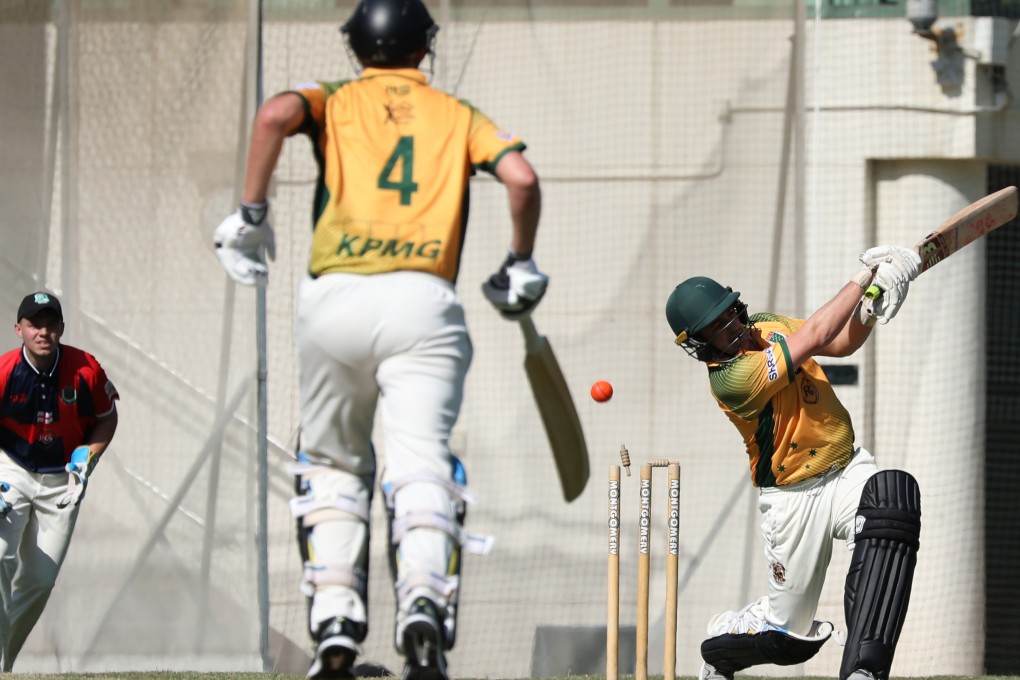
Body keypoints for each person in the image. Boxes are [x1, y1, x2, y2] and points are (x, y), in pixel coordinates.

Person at [212, 1, 547, 678]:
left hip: (334, 297)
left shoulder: (333, 100)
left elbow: (274, 114)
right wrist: (520, 261)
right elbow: (522, 178)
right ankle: (424, 601)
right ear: (426, 47)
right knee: (419, 462)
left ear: (355, 48)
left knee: (334, 463)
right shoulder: (459, 115)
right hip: (425, 301)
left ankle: (336, 620)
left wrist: (250, 213)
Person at [664, 245, 924, 680]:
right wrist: (866, 278)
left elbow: (839, 341)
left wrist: (871, 305)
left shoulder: (765, 325)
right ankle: (720, 647)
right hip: (792, 499)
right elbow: (818, 334)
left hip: (846, 468)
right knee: (788, 643)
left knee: (893, 501)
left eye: (732, 314)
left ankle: (864, 670)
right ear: (699, 344)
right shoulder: (730, 380)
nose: (735, 328)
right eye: (719, 328)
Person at [0, 291, 119, 670]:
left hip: (63, 480)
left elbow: (107, 416)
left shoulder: (86, 369)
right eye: (35, 324)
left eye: (51, 324)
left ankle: (5, 661)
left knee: (39, 581)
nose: (43, 331)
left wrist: (89, 459)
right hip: (12, 469)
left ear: (62, 329)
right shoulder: (3, 372)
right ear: (19, 329)